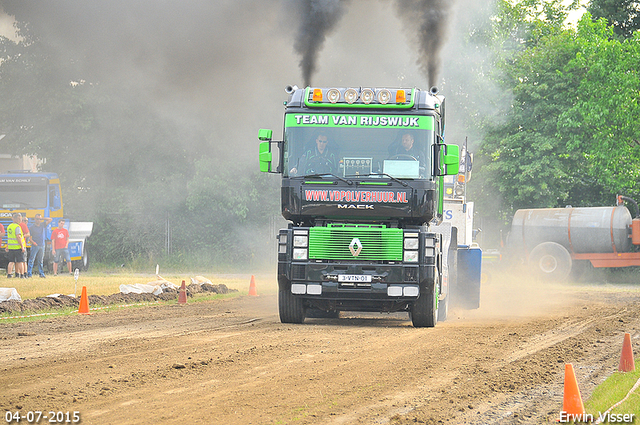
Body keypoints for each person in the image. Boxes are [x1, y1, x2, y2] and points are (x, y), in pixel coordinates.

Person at [28, 214, 52, 278]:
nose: (38, 220)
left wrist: (42, 218)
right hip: (35, 245)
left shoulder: (42, 225)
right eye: (37, 219)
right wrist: (33, 243)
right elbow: (29, 237)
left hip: (42, 245)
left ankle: (41, 274)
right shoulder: (32, 227)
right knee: (31, 260)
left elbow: (50, 219)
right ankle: (29, 273)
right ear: (35, 219)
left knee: (40, 261)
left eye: (39, 219)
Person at [5, 213, 25, 279]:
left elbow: (9, 237)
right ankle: (22, 275)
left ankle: (9, 274)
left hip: (11, 247)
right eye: (19, 219)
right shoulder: (17, 227)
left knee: (11, 261)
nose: (20, 220)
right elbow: (18, 236)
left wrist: (7, 246)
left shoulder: (9, 226)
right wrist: (22, 246)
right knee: (20, 261)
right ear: (17, 219)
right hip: (17, 247)